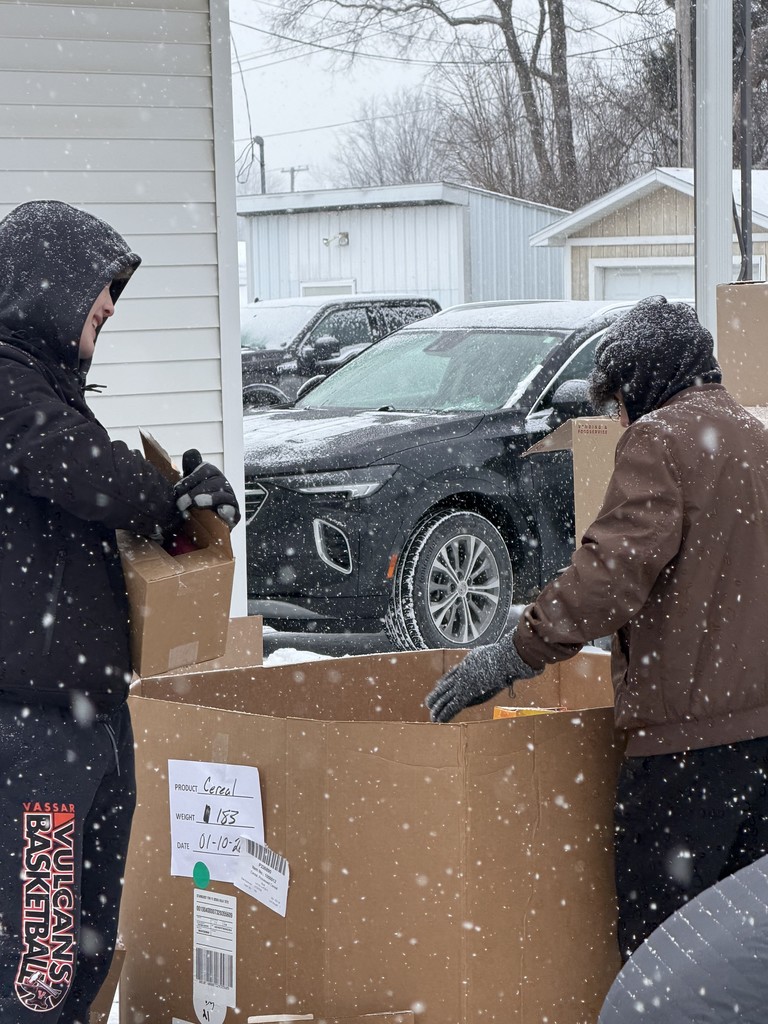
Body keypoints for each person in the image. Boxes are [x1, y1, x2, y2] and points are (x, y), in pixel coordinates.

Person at [426, 294, 768, 961]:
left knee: (662, 956)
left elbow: (607, 578)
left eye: (616, 405)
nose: (617, 421)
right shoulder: (755, 438)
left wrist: (514, 653)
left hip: (686, 754)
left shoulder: (662, 439)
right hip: (761, 745)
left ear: (641, 385)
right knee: (739, 957)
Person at [0, 200, 240, 1022]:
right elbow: (80, 471)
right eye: (98, 293)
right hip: (34, 734)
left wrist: (187, 523)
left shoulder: (53, 391)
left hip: (93, 719)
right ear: (48, 289)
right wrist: (167, 501)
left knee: (87, 941)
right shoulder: (8, 385)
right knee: (37, 961)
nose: (108, 307)